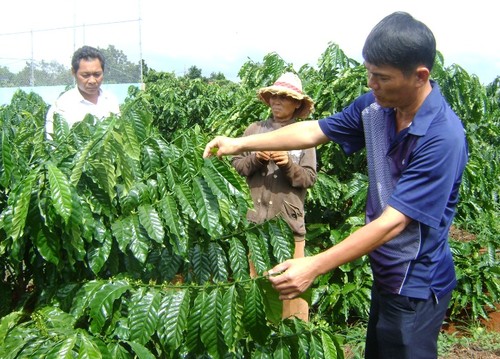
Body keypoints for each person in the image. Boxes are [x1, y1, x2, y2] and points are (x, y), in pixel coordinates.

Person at [204, 11, 469, 359]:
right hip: (386, 274)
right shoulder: (376, 108)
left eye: (382, 77)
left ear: (420, 75)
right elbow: (314, 130)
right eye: (369, 73)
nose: (372, 84)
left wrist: (314, 265)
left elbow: (394, 221)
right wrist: (239, 144)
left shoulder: (442, 137)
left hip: (416, 283)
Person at [231, 72, 317, 322]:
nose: (277, 101)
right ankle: (259, 336)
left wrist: (287, 164)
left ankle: (293, 338)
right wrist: (257, 158)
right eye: (274, 96)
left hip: (287, 223)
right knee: (256, 284)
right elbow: (237, 166)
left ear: (297, 104)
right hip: (255, 223)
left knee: (290, 287)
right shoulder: (255, 130)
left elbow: (309, 178)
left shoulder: (304, 135)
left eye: (284, 97)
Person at [45, 45, 120, 137]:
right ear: (73, 72)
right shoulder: (61, 107)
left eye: (97, 74)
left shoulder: (111, 100)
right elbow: (55, 146)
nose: (92, 81)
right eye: (85, 75)